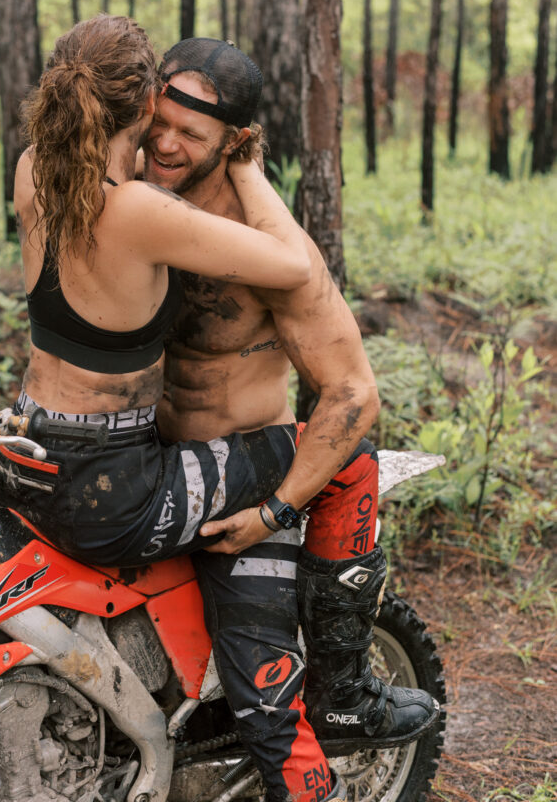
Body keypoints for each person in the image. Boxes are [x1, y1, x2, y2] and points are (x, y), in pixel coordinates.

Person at [0, 14, 350, 802]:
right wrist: (248, 168)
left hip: (27, 452)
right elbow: (293, 264)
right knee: (342, 445)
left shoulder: (33, 171)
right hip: (107, 486)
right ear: (146, 101)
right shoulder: (144, 214)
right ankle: (346, 674)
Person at [142, 38, 440, 774]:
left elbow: (351, 392)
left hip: (241, 483)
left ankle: (339, 693)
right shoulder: (135, 189)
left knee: (269, 719)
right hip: (149, 471)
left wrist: (273, 511)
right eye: (159, 121)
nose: (166, 144)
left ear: (236, 143)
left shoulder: (269, 247)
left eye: (193, 134)